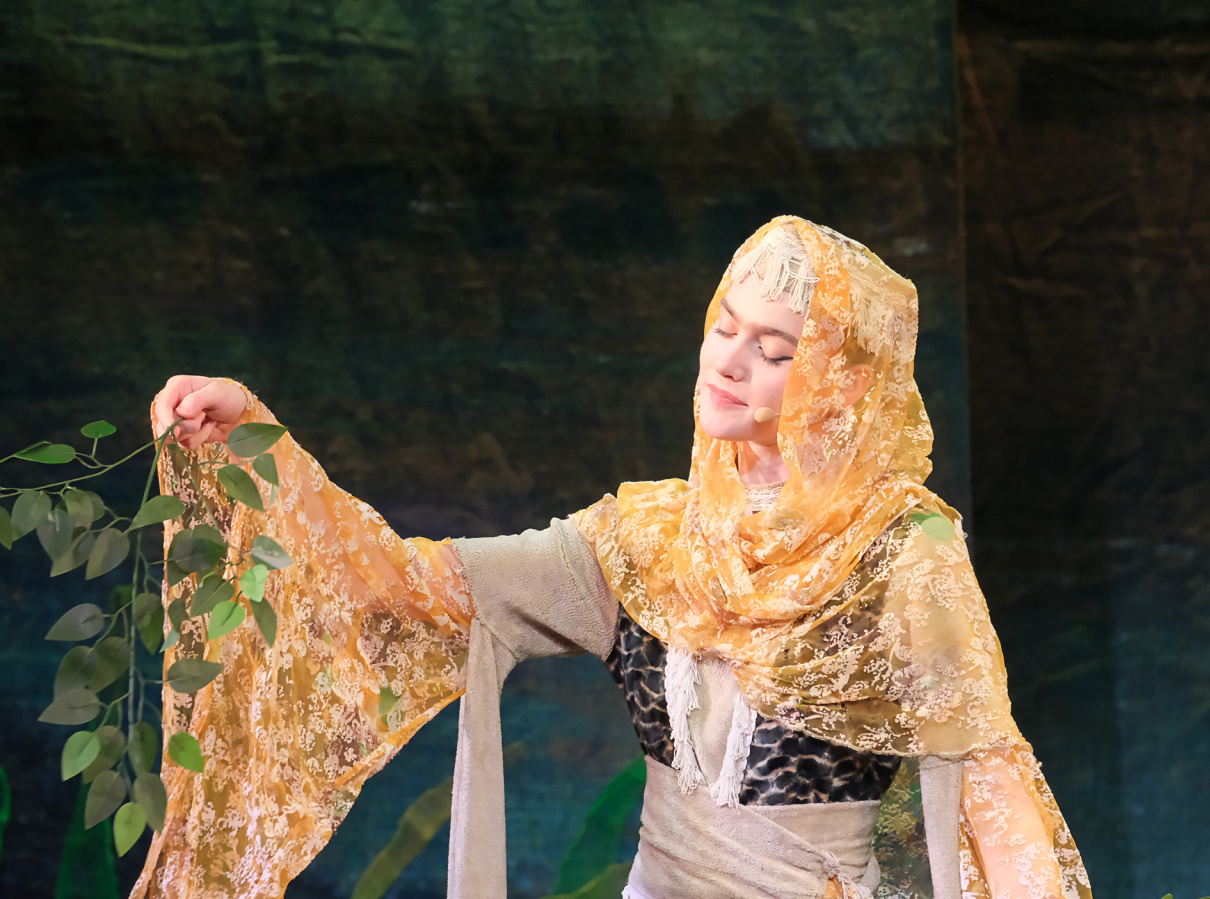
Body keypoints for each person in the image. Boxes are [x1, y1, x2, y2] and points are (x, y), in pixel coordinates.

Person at [133, 217, 1094, 899]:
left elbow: (990, 781)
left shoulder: (903, 554)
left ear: (842, 383)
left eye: (775, 349)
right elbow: (406, 584)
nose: (728, 361)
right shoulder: (649, 539)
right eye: (724, 326)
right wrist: (255, 448)